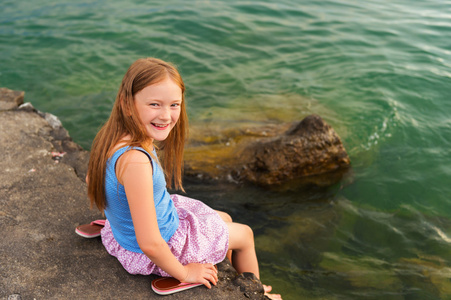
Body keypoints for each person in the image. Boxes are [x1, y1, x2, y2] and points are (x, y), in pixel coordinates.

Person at [86, 57, 281, 299]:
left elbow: (91, 180)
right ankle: (256, 292)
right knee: (245, 235)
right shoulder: (136, 161)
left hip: (133, 230)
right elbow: (150, 243)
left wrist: (122, 215)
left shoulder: (112, 136)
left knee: (225, 217)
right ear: (127, 104)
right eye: (155, 104)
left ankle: (238, 280)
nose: (166, 116)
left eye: (174, 105)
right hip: (159, 246)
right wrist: (184, 273)